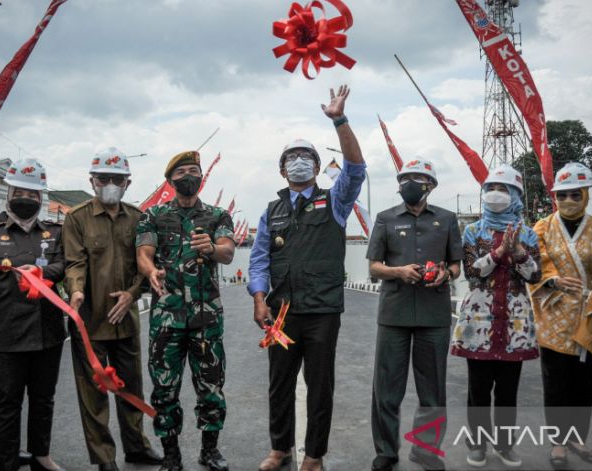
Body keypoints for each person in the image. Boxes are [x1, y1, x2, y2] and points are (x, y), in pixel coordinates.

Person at [248, 85, 366, 471]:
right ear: (282, 169)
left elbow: (355, 169)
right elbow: (259, 258)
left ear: (316, 167)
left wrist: (340, 121)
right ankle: (279, 449)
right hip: (281, 313)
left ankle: (314, 455)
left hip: (322, 310)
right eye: (291, 158)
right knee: (279, 385)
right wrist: (259, 297)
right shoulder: (272, 210)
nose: (299, 162)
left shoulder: (334, 201)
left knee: (320, 387)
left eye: (306, 157)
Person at [136, 150, 236, 471]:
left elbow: (228, 252)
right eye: (181, 172)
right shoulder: (153, 216)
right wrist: (151, 271)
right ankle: (171, 455)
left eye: (194, 170)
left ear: (201, 177)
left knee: (210, 387)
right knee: (165, 389)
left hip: (207, 319)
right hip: (167, 318)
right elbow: (144, 253)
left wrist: (212, 248)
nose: (188, 176)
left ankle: (209, 451)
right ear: (170, 180)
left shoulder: (218, 216)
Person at [62, 148, 161, 471]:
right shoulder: (76, 219)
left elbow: (144, 265)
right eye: (103, 178)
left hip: (126, 320)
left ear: (128, 183)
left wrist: (132, 294)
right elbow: (74, 262)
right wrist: (75, 292)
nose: (109, 184)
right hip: (89, 323)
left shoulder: (137, 218)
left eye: (117, 179)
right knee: (94, 395)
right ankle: (105, 459)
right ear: (92, 181)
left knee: (132, 387)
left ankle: (137, 447)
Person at [0, 158, 66, 471]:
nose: (26, 199)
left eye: (33, 194)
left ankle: (41, 455)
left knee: (43, 399)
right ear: (9, 193)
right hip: (4, 336)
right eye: (20, 192)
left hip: (47, 332)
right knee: (6, 403)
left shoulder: (55, 232)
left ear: (41, 198)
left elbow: (66, 265)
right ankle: (7, 461)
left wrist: (43, 270)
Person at [367, 155, 462, 471]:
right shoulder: (385, 218)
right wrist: (398, 272)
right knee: (387, 388)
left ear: (430, 185)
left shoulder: (447, 219)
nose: (408, 184)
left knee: (432, 390)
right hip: (394, 314)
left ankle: (425, 449)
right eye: (403, 179)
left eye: (416, 179)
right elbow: (374, 267)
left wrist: (445, 275)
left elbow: (455, 265)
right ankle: (386, 450)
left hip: (434, 315)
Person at [450, 165, 541, 468]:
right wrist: (500, 251)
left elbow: (534, 275)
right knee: (478, 389)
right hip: (479, 323)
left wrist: (518, 253)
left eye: (503, 189)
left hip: (514, 323)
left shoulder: (528, 233)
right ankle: (476, 444)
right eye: (490, 189)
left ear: (515, 194)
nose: (495, 195)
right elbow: (473, 273)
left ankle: (504, 444)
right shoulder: (473, 231)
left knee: (507, 391)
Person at [529, 162, 592, 469]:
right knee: (556, 382)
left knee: (582, 381)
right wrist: (552, 279)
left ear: (586, 194)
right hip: (552, 315)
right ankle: (558, 443)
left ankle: (578, 438)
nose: (568, 202)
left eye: (574, 195)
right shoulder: (543, 227)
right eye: (561, 196)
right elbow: (536, 261)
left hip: (587, 316)